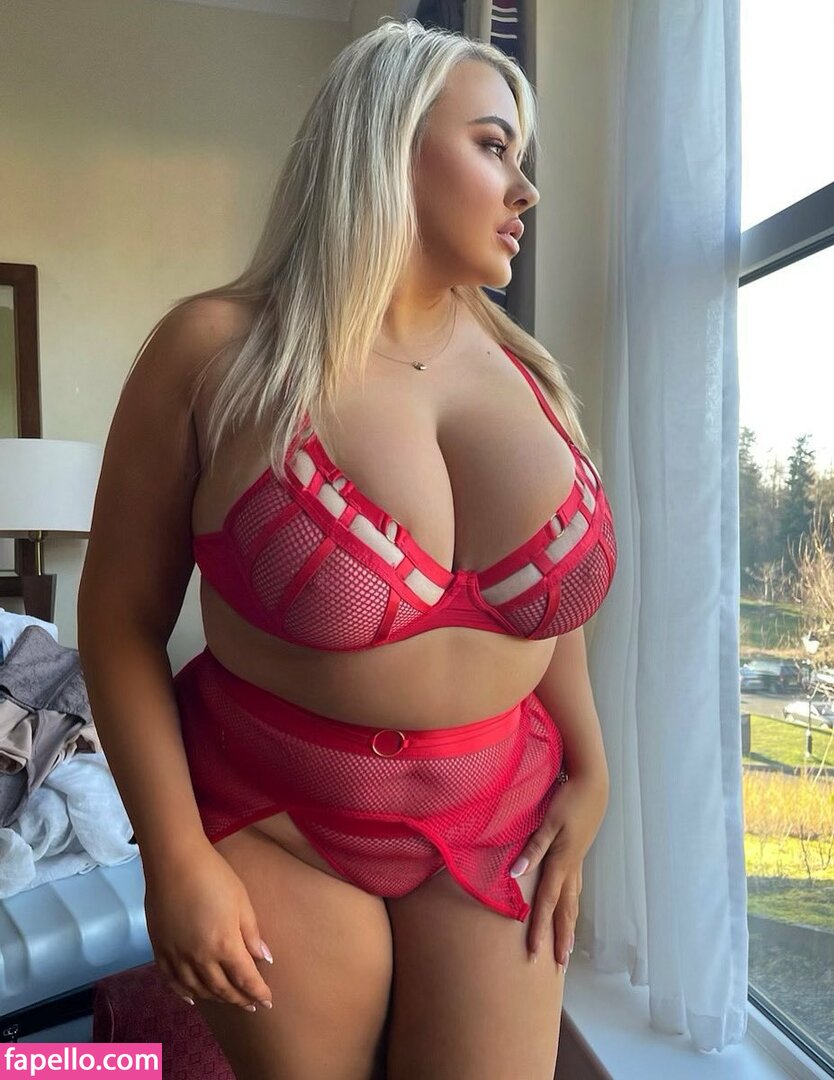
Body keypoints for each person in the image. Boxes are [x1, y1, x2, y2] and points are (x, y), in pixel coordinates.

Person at [77, 18, 617, 1080]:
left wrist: (593, 772)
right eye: (495, 146)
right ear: (388, 141)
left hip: (501, 815)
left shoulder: (531, 375)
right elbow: (120, 619)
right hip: (275, 818)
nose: (526, 191)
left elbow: (547, 610)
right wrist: (174, 856)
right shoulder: (217, 351)